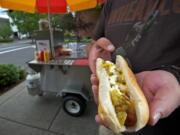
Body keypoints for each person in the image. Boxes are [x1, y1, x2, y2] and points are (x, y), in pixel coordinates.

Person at [88, 0, 180, 135]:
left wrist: (176, 77)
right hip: (111, 126)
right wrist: (94, 52)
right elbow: (94, 42)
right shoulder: (112, 3)